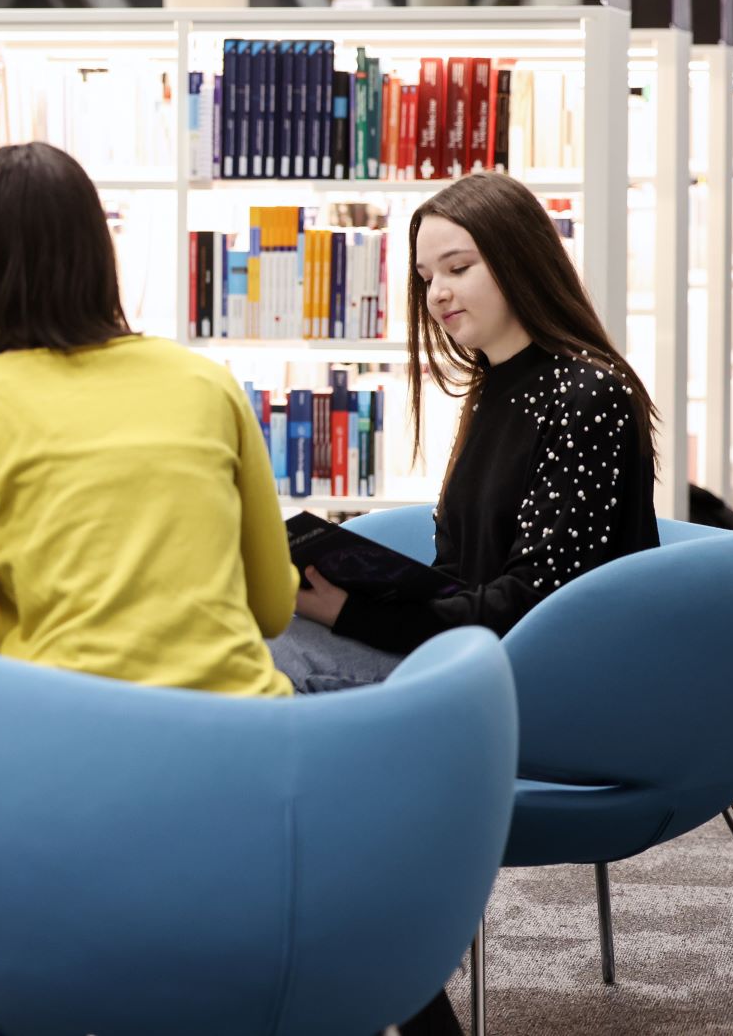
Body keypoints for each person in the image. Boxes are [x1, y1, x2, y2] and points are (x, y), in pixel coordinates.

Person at [0, 140, 297, 696]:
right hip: (243, 738)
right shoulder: (207, 383)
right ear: (100, 252)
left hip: (67, 740)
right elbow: (273, 607)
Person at [270, 169, 660, 694]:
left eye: (458, 268)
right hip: (469, 651)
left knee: (265, 653)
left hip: (534, 672)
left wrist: (349, 614)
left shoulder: (586, 395)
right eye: (427, 277)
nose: (437, 295)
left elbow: (535, 601)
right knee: (252, 631)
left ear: (519, 258)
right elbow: (460, 574)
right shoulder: (494, 387)